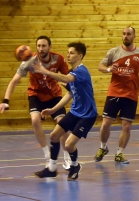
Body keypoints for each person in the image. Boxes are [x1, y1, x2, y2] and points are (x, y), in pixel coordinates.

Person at [94, 26, 139, 164]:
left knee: (126, 126)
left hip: (131, 94)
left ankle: (119, 154)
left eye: (128, 34)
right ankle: (103, 147)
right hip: (114, 92)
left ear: (134, 36)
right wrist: (109, 69)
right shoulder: (114, 52)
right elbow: (100, 66)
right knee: (105, 123)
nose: (125, 36)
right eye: (123, 34)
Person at [0, 36, 71, 169]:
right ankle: (47, 156)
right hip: (36, 95)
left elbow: (67, 78)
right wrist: (5, 100)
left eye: (44, 46)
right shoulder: (28, 62)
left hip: (54, 95)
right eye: (39, 46)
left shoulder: (58, 59)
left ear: (50, 47)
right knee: (35, 121)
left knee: (63, 124)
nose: (41, 48)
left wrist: (71, 89)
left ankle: (67, 155)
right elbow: (14, 81)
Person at [33, 42, 97, 181]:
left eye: (72, 53)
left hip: (87, 115)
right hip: (75, 111)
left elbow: (67, 79)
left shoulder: (81, 71)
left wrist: (46, 71)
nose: (68, 55)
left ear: (80, 56)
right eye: (68, 52)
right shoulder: (72, 72)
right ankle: (51, 169)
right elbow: (70, 94)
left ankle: (75, 166)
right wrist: (53, 110)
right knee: (54, 136)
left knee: (68, 145)